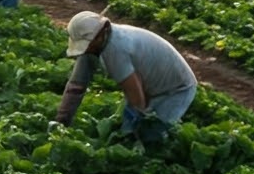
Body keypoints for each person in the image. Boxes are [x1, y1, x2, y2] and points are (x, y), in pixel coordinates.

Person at [55, 11, 197, 146]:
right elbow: (76, 86)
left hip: (177, 88)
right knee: (128, 134)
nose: (86, 49)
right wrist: (61, 121)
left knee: (152, 138)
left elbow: (136, 98)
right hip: (148, 85)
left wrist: (136, 127)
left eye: (87, 44)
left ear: (102, 32)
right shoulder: (93, 46)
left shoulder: (116, 48)